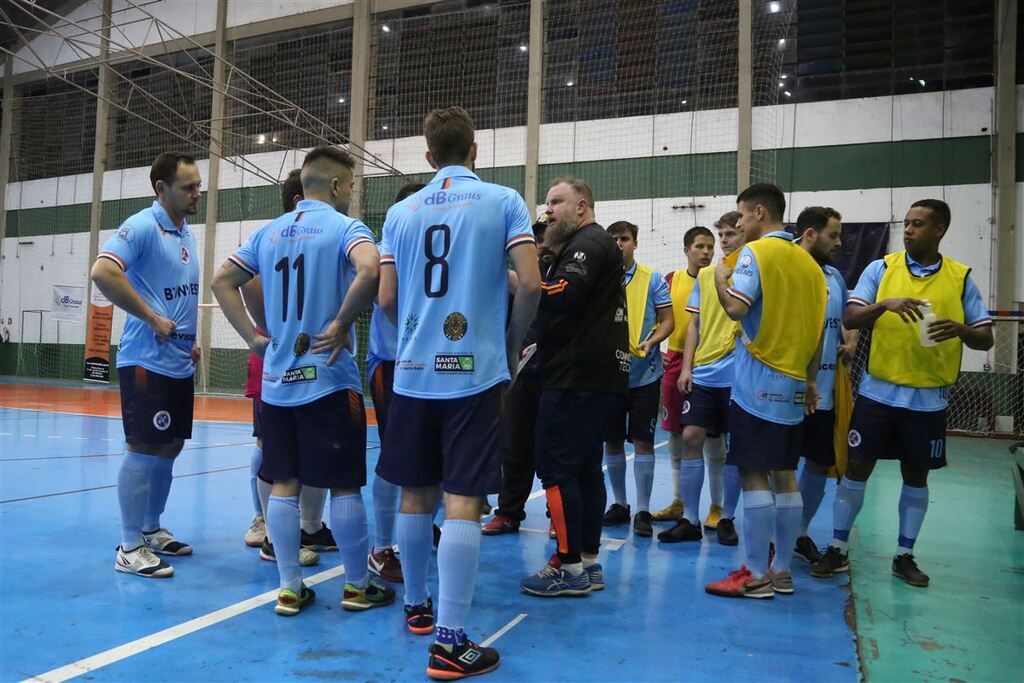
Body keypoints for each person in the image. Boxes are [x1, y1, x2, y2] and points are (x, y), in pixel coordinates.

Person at [375, 106, 541, 680]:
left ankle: (416, 605)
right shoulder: (504, 201)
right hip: (473, 372)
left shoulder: (400, 211)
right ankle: (449, 643)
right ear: (476, 150)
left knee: (415, 494)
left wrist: (416, 342)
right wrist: (510, 345)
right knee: (464, 499)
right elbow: (532, 284)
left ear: (428, 157)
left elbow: (389, 300)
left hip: (414, 372)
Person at [212, 146, 392, 616]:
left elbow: (221, 281)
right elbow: (371, 269)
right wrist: (340, 323)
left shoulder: (267, 233)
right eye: (350, 186)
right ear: (335, 186)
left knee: (284, 483)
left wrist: (254, 337)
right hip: (328, 380)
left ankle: (290, 588)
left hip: (278, 380)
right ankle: (356, 586)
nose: (351, 194)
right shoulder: (345, 228)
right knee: (344, 487)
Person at [811, 199, 993, 587]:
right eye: (906, 223)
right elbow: (850, 316)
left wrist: (961, 329)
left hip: (928, 400)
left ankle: (904, 555)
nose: (908, 230)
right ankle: (837, 548)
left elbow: (986, 337)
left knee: (916, 477)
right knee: (856, 469)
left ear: (939, 229)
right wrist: (884, 305)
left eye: (918, 224)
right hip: (877, 395)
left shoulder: (960, 278)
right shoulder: (881, 268)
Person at [704, 182, 827, 599]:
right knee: (785, 474)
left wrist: (721, 279)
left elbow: (736, 307)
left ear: (758, 212)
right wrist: (810, 380)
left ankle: (755, 574)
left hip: (758, 382)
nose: (738, 224)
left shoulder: (755, 254)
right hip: (795, 381)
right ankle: (783, 570)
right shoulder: (811, 265)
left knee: (754, 471)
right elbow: (819, 334)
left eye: (741, 216)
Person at [92, 151, 202, 579]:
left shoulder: (186, 232)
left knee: (170, 445)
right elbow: (103, 272)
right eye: (188, 187)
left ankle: (152, 528)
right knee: (143, 446)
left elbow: (176, 292)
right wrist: (151, 317)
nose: (197, 194)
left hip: (178, 360)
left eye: (198, 186)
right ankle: (129, 544)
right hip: (145, 360)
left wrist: (189, 341)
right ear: (161, 188)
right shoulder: (141, 226)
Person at [520, 177, 628, 597]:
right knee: (584, 468)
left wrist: (521, 281)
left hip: (574, 375)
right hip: (598, 375)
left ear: (582, 206)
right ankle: (588, 560)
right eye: (547, 204)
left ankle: (567, 567)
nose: (548, 212)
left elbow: (563, 295)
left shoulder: (588, 242)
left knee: (556, 468)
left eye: (557, 202)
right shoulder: (589, 245)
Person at [242, 168, 329, 568]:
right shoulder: (274, 237)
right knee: (270, 447)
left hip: (302, 358)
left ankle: (307, 527)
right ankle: (270, 530)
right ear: (301, 201)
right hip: (277, 357)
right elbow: (245, 283)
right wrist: (269, 330)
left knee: (305, 447)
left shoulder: (309, 239)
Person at [658, 214, 744, 545]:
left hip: (739, 375)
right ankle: (690, 519)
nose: (724, 240)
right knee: (691, 434)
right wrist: (687, 367)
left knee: (729, 448)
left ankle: (725, 516)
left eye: (730, 234)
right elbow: (693, 324)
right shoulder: (706, 276)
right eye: (720, 234)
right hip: (705, 372)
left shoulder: (753, 271)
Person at [366, 181, 425, 584]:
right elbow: (386, 301)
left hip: (426, 366)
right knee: (393, 456)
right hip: (391, 363)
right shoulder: (387, 251)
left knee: (426, 455)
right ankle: (381, 547)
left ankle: (418, 525)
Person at [482, 214, 556, 535]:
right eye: (536, 240)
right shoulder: (519, 275)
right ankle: (510, 511)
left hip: (559, 372)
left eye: (546, 239)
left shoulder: (570, 272)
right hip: (523, 370)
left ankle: (560, 514)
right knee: (515, 445)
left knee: (555, 446)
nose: (542, 245)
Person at [791, 206, 858, 564]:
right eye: (833, 234)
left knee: (817, 463)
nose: (840, 241)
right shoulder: (786, 270)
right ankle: (774, 537)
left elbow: (843, 318)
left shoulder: (834, 276)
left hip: (826, 391)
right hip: (786, 393)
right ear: (811, 234)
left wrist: (850, 339)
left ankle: (799, 532)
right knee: (780, 467)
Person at [601, 221, 673, 537]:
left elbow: (668, 321)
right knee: (612, 440)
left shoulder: (653, 278)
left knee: (643, 441)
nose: (619, 244)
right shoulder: (599, 279)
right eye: (613, 239)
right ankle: (620, 503)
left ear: (635, 243)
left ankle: (642, 510)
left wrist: (653, 341)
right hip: (608, 377)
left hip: (645, 375)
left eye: (625, 239)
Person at [651, 225, 714, 523]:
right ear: (687, 249)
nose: (706, 252)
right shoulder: (671, 280)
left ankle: (717, 508)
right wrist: (657, 349)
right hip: (676, 360)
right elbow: (655, 317)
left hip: (712, 361)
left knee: (713, 435)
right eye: (700, 246)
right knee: (676, 430)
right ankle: (678, 501)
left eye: (710, 247)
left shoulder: (719, 280)